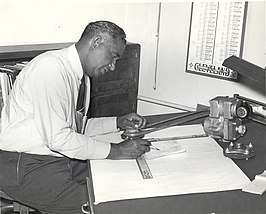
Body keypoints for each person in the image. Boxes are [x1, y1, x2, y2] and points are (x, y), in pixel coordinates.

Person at [0, 20, 151, 214]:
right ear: (96, 42)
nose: (113, 67)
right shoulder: (51, 69)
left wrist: (117, 121)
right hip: (25, 163)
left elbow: (77, 127)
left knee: (116, 183)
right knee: (104, 207)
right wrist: (117, 150)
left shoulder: (76, 74)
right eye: (113, 57)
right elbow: (59, 138)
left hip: (53, 158)